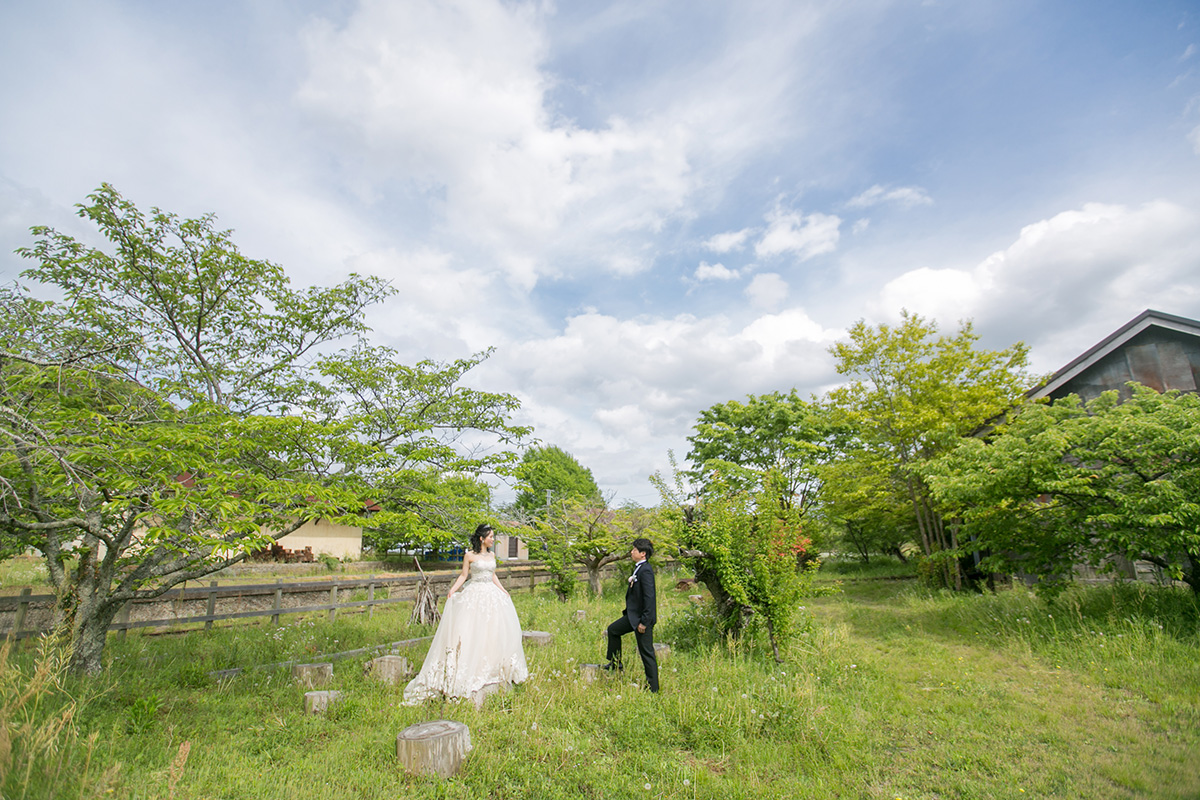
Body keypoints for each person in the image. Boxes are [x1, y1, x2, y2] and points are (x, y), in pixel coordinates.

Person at [403, 523, 528, 707]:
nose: (493, 539)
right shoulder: (469, 555)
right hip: (475, 593)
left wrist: (503, 591)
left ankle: (493, 668)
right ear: (481, 538)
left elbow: (493, 575)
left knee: (492, 632)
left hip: (491, 595)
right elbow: (464, 575)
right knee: (471, 631)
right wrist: (453, 590)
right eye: (491, 536)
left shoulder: (492, 555)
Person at [604, 537, 659, 693]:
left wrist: (644, 622)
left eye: (634, 550)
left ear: (642, 553)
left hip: (642, 619)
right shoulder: (638, 568)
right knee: (613, 630)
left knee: (646, 652)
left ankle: (653, 688)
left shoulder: (646, 570)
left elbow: (649, 598)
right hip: (632, 616)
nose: (631, 552)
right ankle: (616, 663)